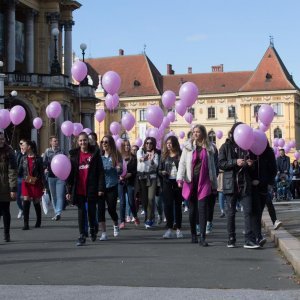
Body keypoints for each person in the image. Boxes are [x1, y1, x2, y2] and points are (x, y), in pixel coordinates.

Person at [218, 122, 259, 249]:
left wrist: (250, 164)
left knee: (248, 211)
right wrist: (235, 162)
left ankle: (249, 239)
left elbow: (253, 169)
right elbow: (221, 164)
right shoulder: (225, 146)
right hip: (231, 184)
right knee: (231, 213)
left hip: (245, 183)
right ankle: (231, 238)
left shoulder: (247, 147)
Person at [177, 124, 217, 247]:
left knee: (203, 209)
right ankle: (193, 234)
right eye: (194, 132)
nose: (195, 134)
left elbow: (212, 167)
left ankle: (203, 238)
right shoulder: (188, 147)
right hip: (191, 181)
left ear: (203, 133)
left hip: (204, 181)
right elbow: (182, 163)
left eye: (198, 132)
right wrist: (179, 178)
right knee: (192, 210)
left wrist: (214, 183)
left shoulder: (209, 148)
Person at [66, 132, 105, 246]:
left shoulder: (95, 154)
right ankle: (82, 235)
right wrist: (68, 190)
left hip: (92, 188)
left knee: (92, 211)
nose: (83, 142)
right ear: (78, 142)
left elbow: (100, 172)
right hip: (79, 188)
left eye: (85, 140)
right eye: (81, 140)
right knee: (81, 212)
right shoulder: (74, 156)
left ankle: (93, 229)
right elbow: (70, 174)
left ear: (88, 141)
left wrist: (100, 188)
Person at [250, 142, 277, 247]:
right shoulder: (249, 150)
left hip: (263, 185)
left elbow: (273, 169)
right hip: (251, 185)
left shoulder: (269, 152)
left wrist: (267, 182)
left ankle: (256, 234)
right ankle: (257, 236)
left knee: (259, 210)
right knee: (255, 210)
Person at [98, 135, 123, 241]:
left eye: (106, 142)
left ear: (111, 144)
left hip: (112, 185)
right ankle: (103, 233)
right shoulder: (99, 156)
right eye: (103, 142)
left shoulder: (116, 155)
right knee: (100, 210)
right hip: (100, 186)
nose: (104, 144)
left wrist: (118, 168)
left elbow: (120, 169)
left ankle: (115, 223)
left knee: (111, 209)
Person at [159, 135, 183, 239]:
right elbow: (159, 169)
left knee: (177, 206)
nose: (168, 145)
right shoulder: (164, 156)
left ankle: (178, 229)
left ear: (174, 143)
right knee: (167, 206)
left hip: (178, 183)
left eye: (170, 143)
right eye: (167, 143)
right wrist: (162, 172)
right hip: (167, 182)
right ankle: (169, 229)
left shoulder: (180, 154)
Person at [19, 140, 44, 230]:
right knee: (26, 201)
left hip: (36, 182)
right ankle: (26, 223)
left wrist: (44, 185)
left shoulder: (38, 159)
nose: (22, 146)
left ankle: (38, 220)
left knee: (36, 202)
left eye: (23, 145)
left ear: (29, 147)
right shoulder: (23, 158)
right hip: (26, 182)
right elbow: (20, 171)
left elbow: (41, 173)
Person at [137, 137, 160, 229]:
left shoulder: (156, 154)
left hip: (152, 177)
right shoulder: (140, 151)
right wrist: (146, 157)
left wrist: (151, 161)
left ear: (153, 144)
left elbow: (156, 166)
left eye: (150, 143)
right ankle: (149, 216)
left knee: (151, 198)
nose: (148, 145)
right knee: (145, 200)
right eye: (147, 143)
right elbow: (140, 159)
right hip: (142, 177)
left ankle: (149, 219)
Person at [43, 136, 66, 221]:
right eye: (54, 141)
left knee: (60, 195)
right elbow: (44, 162)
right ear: (51, 142)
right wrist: (45, 168)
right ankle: (56, 212)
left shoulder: (62, 152)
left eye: (57, 141)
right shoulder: (47, 151)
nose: (56, 142)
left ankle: (58, 212)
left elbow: (65, 162)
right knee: (53, 196)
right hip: (51, 176)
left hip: (60, 176)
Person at [118, 139, 140, 228]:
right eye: (125, 145)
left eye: (128, 145)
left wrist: (130, 174)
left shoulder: (133, 157)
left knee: (131, 201)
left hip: (130, 181)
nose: (127, 147)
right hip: (120, 182)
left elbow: (135, 171)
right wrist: (119, 175)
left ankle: (135, 216)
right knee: (122, 202)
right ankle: (122, 221)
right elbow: (115, 168)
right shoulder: (119, 157)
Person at [0, 132, 17, 242]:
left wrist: (12, 188)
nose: (1, 141)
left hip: (5, 185)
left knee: (5, 210)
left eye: (2, 139)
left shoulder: (9, 152)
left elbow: (12, 171)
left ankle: (7, 233)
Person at [16, 138, 26, 219]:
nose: (22, 145)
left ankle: (25, 211)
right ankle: (21, 209)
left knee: (27, 196)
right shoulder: (17, 154)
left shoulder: (28, 154)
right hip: (19, 177)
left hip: (27, 177)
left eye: (23, 144)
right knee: (18, 196)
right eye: (20, 144)